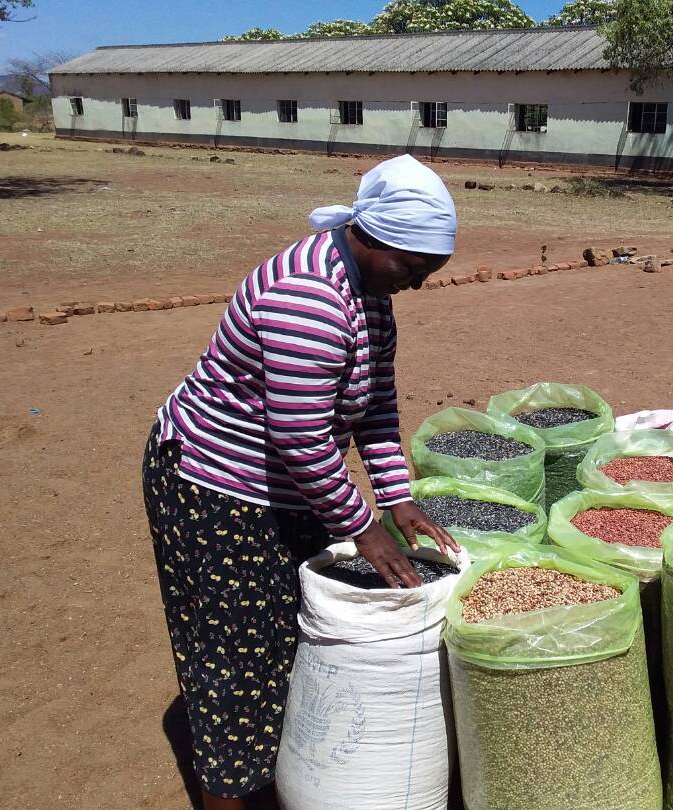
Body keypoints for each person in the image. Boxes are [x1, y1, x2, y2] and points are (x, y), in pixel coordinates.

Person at [142, 154, 461, 810]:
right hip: (214, 488)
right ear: (370, 237)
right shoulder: (309, 293)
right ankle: (230, 791)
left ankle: (291, 774)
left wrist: (397, 498)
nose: (418, 285)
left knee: (290, 632)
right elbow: (300, 438)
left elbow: (374, 403)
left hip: (283, 483)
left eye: (428, 274)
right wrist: (362, 528)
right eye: (411, 268)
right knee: (235, 658)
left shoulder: (371, 293)